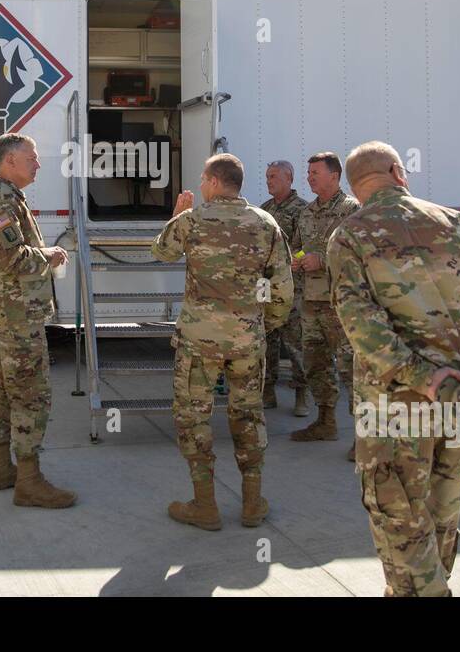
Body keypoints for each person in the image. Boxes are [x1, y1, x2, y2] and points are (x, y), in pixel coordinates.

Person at [328, 141, 460, 596]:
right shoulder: (455, 223)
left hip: (393, 408)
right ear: (398, 171)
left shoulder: (350, 235)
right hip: (458, 402)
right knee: (442, 509)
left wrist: (418, 376)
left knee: (399, 517)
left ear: (355, 186)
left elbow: (361, 324)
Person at [152, 153, 293, 530]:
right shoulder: (266, 223)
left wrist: (176, 215)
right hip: (247, 340)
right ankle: (251, 503)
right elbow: (280, 286)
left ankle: (205, 504)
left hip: (199, 341)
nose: (200, 185)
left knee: (194, 417)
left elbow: (161, 252)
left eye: (203, 179)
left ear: (215, 182)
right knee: (248, 416)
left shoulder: (193, 220)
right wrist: (263, 324)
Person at [0, 132, 75, 508]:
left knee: (4, 387)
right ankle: (29, 479)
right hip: (15, 312)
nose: (38, 163)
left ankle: (0, 468)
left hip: (8, 312)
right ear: (9, 161)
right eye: (31, 157)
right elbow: (14, 258)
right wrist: (51, 255)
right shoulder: (0, 200)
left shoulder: (6, 198)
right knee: (31, 391)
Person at [289, 152, 359, 443]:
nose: (309, 177)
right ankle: (325, 422)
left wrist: (324, 262)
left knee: (351, 369)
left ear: (334, 175)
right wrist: (298, 258)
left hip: (340, 304)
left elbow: (360, 254)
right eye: (308, 173)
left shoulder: (351, 210)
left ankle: (365, 438)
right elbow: (299, 246)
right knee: (315, 364)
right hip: (311, 302)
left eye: (315, 172)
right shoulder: (306, 212)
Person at [259, 160, 309, 414]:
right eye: (267, 176)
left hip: (292, 288)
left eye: (274, 176)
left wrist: (291, 262)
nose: (269, 180)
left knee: (295, 341)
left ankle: (302, 393)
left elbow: (309, 247)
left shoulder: (303, 211)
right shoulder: (264, 210)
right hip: (266, 287)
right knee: (267, 340)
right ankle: (267, 390)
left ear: (289, 178)